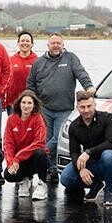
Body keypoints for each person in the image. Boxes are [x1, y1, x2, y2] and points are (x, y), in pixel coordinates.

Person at [26, 33, 95, 182]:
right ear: (48, 45)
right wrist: (32, 104)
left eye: (59, 43)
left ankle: (34, 158)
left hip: (64, 109)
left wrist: (89, 87)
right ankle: (51, 171)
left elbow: (81, 74)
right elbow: (31, 85)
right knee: (46, 139)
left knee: (57, 140)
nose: (56, 45)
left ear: (63, 44)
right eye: (53, 43)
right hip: (44, 109)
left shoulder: (70, 59)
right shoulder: (38, 63)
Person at [60, 91, 112, 207]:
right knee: (65, 178)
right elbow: (74, 152)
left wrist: (89, 152)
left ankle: (109, 191)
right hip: (92, 163)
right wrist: (81, 169)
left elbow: (111, 142)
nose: (86, 110)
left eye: (89, 106)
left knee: (108, 155)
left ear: (95, 104)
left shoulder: (108, 118)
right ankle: (96, 184)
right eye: (82, 107)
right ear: (77, 107)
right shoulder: (74, 126)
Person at [3, 89, 50, 201]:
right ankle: (24, 180)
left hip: (35, 159)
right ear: (19, 104)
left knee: (40, 152)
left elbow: (39, 142)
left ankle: (42, 183)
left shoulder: (38, 118)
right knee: (8, 175)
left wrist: (18, 157)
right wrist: (10, 163)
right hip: (19, 162)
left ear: (34, 105)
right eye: (24, 102)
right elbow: (8, 144)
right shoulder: (11, 120)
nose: (26, 106)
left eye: (29, 103)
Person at [5, 32, 37, 115]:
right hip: (13, 102)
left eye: (27, 41)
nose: (25, 43)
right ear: (18, 43)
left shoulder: (38, 61)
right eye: (22, 41)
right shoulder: (10, 60)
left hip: (31, 103)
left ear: (32, 44)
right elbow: (4, 80)